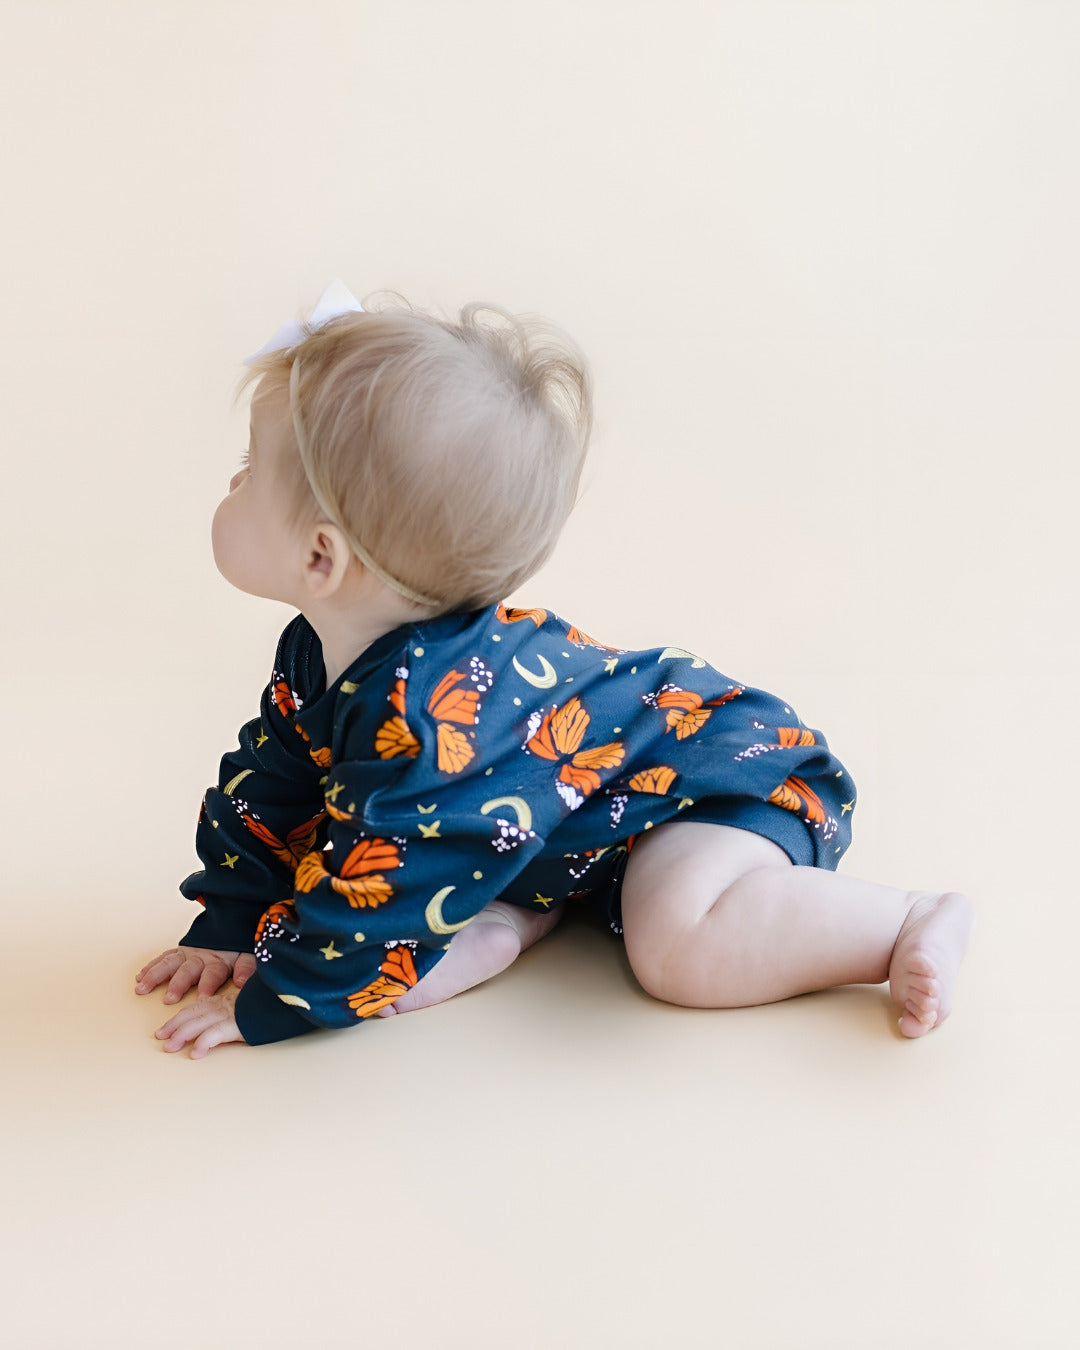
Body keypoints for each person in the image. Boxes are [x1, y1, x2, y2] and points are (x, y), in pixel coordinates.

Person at [135, 282, 975, 1058]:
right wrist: (230, 924)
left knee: (675, 944)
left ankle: (905, 919)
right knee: (422, 834)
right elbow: (272, 784)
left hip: (720, 781)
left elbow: (380, 887)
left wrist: (280, 1000)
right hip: (595, 814)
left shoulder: (430, 720)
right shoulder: (323, 650)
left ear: (322, 558)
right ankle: (514, 909)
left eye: (248, 473)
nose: (233, 482)